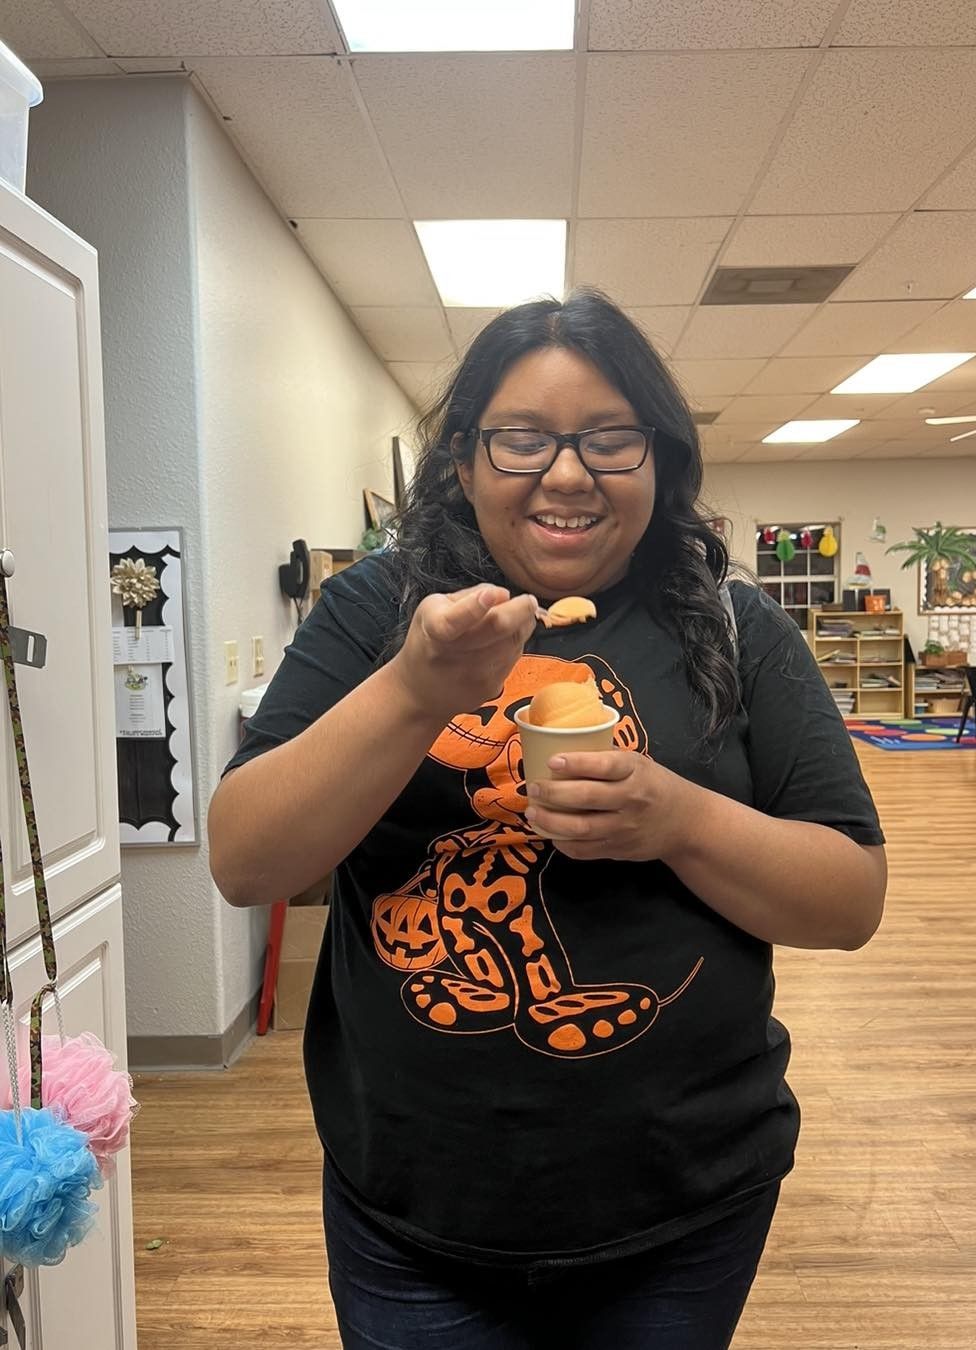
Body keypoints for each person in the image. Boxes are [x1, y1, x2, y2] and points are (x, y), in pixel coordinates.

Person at [208, 288, 886, 1349]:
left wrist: (675, 818)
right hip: (415, 1207)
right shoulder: (376, 613)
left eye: (609, 438)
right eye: (523, 438)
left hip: (686, 1200)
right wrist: (416, 689)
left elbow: (850, 900)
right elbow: (245, 863)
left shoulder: (734, 625)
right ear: (464, 460)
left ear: (659, 460)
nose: (567, 474)